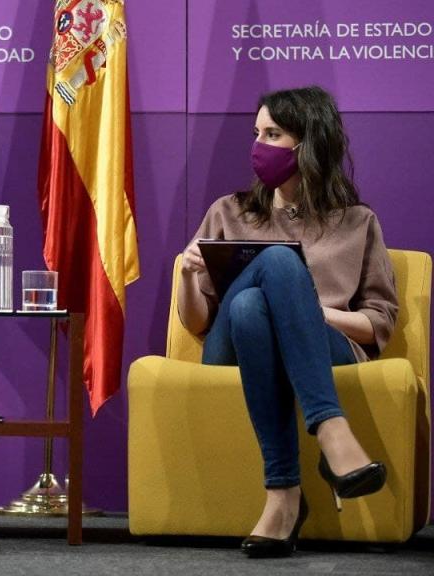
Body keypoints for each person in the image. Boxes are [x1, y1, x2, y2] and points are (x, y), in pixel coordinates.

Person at [178, 86, 397, 558]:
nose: (258, 145)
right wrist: (186, 274)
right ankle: (332, 431)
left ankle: (283, 498)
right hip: (230, 348)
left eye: (273, 134)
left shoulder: (358, 222)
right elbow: (197, 324)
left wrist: (307, 312)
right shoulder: (228, 211)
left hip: (325, 344)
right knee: (266, 278)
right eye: (256, 133)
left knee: (252, 308)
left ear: (310, 143)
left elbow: (379, 323)